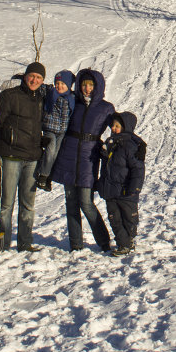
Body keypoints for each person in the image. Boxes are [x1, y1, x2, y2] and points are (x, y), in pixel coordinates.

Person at [0, 61, 47, 253]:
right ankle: (2, 244)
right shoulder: (9, 96)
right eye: (32, 76)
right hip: (10, 157)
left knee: (28, 205)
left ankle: (25, 243)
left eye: (39, 78)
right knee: (6, 204)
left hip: (32, 158)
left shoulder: (42, 99)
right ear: (25, 76)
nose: (34, 80)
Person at [50, 68, 114, 253]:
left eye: (91, 85)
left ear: (97, 87)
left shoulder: (105, 108)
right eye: (84, 85)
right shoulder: (73, 102)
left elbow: (117, 127)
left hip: (88, 157)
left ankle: (103, 241)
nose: (87, 88)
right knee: (71, 203)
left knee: (86, 202)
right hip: (68, 155)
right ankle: (75, 244)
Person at [95, 111, 146, 256]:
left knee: (128, 218)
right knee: (114, 219)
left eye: (117, 126)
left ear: (126, 127)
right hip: (111, 191)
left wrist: (135, 187)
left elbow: (137, 168)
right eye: (112, 126)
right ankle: (122, 244)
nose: (113, 128)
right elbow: (105, 168)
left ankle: (128, 241)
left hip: (125, 191)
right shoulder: (110, 144)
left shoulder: (131, 146)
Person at [35, 70, 75, 192]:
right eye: (57, 83)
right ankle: (43, 176)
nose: (59, 86)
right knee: (51, 150)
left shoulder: (72, 97)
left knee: (55, 155)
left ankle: (48, 178)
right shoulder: (51, 92)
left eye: (63, 84)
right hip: (50, 129)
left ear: (68, 85)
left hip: (62, 132)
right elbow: (39, 86)